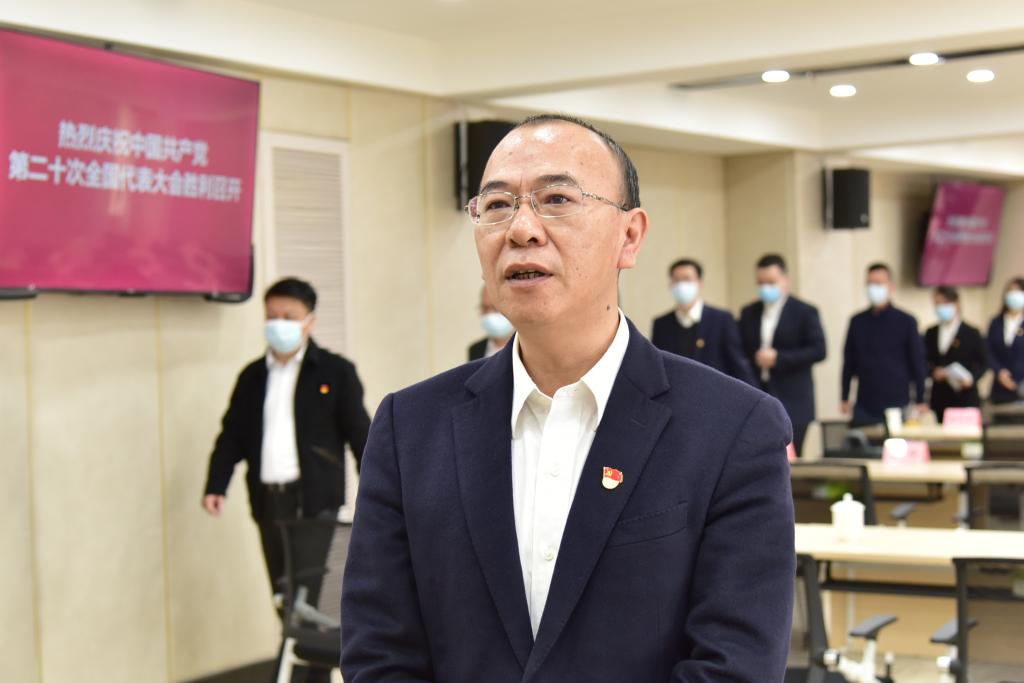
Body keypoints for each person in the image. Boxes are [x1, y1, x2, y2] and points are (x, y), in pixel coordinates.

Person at [342, 114, 794, 683]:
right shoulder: (409, 428)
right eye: (497, 205)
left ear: (630, 236)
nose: (521, 229)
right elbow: (378, 653)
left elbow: (736, 666)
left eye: (557, 199)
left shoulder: (733, 429)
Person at [202, 278, 371, 643]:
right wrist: (216, 484)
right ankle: (293, 663)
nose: (278, 324)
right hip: (268, 503)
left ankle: (314, 669)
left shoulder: (335, 372)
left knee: (314, 604)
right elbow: (231, 436)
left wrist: (377, 493)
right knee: (283, 597)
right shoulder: (252, 377)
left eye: (288, 317)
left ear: (309, 321)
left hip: (315, 503)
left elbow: (361, 435)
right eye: (271, 316)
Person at [739, 254, 826, 457]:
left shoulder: (804, 312)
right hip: (760, 394)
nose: (765, 287)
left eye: (771, 282)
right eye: (761, 283)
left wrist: (779, 358)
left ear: (785, 280)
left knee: (792, 456)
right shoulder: (749, 312)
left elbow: (818, 350)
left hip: (794, 397)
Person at [841, 263, 928, 425]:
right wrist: (844, 396)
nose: (873, 288)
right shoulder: (857, 321)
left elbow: (917, 362)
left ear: (891, 286)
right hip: (865, 402)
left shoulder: (906, 321)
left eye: (878, 283)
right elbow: (849, 361)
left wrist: (920, 398)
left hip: (897, 402)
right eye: (870, 284)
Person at [651, 258, 757, 385]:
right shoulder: (661, 324)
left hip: (714, 391)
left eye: (687, 279)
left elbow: (738, 363)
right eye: (676, 280)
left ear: (700, 284)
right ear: (670, 285)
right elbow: (657, 366)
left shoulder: (721, 319)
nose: (681, 285)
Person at [923, 286, 987, 421]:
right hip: (940, 398)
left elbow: (984, 362)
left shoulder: (972, 333)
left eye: (945, 303)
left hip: (965, 397)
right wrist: (933, 372)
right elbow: (923, 361)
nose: (941, 307)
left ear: (956, 304)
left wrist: (971, 379)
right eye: (937, 303)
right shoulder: (931, 333)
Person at [987, 276, 1024, 404]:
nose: (1014, 295)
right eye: (1011, 291)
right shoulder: (996, 323)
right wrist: (999, 371)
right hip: (999, 387)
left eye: (1018, 291)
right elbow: (988, 351)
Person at [468, 285, 514, 361]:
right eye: (485, 308)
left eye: (495, 308)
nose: (490, 314)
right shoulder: (475, 349)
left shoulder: (527, 349)